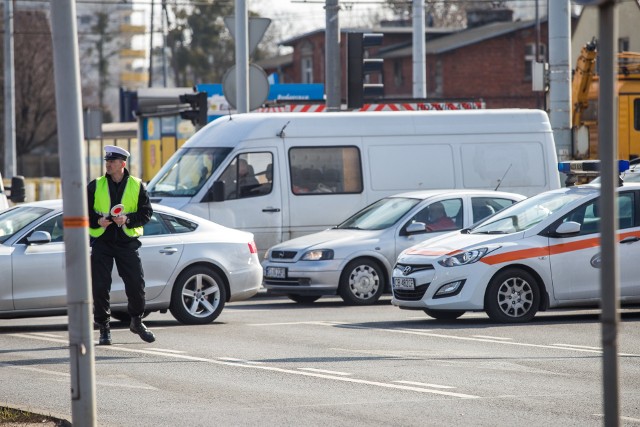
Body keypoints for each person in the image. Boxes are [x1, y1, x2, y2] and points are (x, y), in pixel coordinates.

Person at [88, 145, 154, 345]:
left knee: (136, 285)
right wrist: (97, 221)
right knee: (100, 287)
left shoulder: (137, 185)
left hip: (127, 243)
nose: (108, 164)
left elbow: (146, 213)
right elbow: (82, 212)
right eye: (107, 161)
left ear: (122, 164)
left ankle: (136, 321)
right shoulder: (95, 185)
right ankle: (104, 328)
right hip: (102, 242)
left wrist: (127, 219)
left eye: (112, 161)